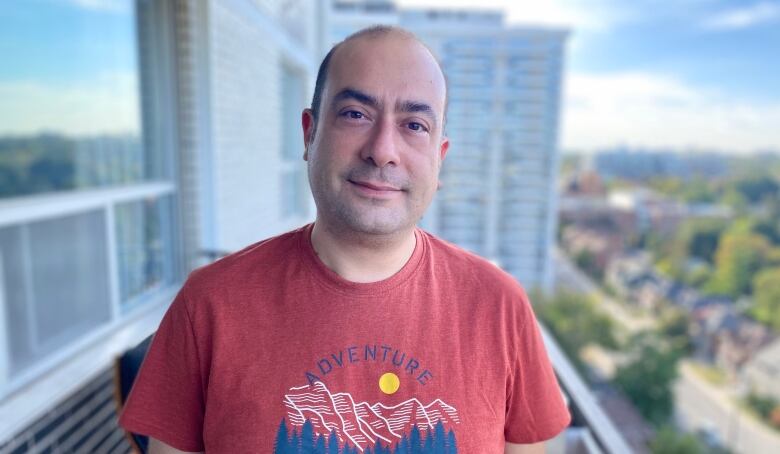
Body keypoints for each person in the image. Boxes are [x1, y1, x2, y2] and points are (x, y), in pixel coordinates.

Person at [119, 25, 570, 453]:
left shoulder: (500, 307)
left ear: (440, 158)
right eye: (356, 114)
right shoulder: (209, 305)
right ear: (309, 133)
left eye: (415, 125)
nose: (383, 150)